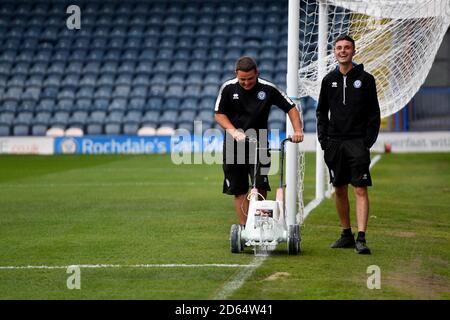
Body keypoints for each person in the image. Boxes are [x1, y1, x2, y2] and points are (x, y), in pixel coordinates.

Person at [215, 56, 304, 227]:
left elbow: (290, 107)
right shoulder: (228, 88)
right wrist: (234, 132)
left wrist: (298, 130)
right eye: (242, 79)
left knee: (260, 184)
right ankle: (245, 228)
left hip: (260, 141)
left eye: (250, 79)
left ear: (257, 73)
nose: (246, 83)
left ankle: (261, 223)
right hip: (235, 144)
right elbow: (219, 114)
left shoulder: (268, 89)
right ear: (236, 74)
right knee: (239, 188)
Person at [316, 35, 380, 255]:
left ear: (354, 51)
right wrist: (324, 140)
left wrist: (366, 142)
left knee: (360, 188)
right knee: (339, 188)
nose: (342, 51)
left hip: (356, 142)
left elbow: (374, 113)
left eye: (347, 48)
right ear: (334, 52)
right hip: (334, 143)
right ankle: (346, 234)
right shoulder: (328, 80)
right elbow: (321, 112)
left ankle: (361, 238)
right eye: (339, 48)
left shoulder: (366, 79)